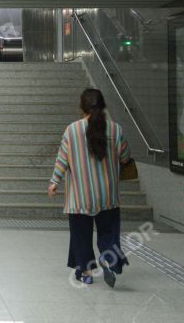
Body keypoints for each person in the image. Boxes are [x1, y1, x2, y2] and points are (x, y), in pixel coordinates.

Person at [47, 88, 132, 287]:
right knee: (108, 233)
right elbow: (126, 157)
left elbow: (62, 159)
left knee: (81, 235)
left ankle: (86, 273)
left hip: (80, 196)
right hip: (107, 195)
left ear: (81, 107)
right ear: (103, 106)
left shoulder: (72, 130)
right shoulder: (115, 129)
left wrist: (54, 182)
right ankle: (109, 261)